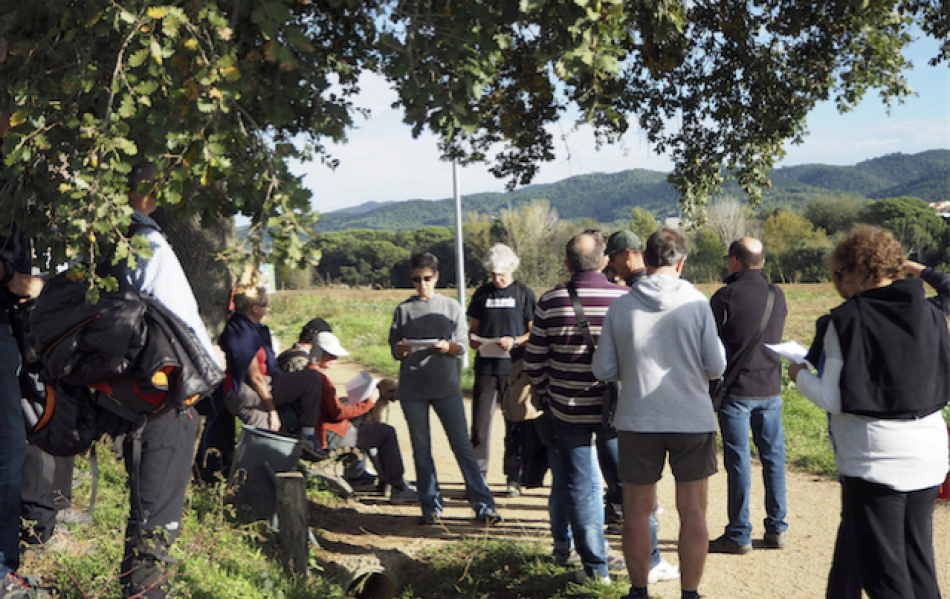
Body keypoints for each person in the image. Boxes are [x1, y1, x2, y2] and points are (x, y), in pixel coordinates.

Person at [789, 225, 950, 599]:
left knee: (885, 577)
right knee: (919, 565)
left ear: (854, 270)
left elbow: (832, 398)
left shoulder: (843, 321)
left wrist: (798, 375)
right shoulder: (930, 311)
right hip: (928, 453)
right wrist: (911, 267)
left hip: (874, 461)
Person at [525, 230, 677, 585]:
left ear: (566, 264)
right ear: (605, 261)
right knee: (631, 486)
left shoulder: (549, 303)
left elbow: (534, 364)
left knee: (581, 488)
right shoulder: (626, 298)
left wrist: (552, 392)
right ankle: (650, 561)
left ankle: (596, 571)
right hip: (618, 411)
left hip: (568, 412)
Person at [593, 228, 726, 599]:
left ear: (645, 260)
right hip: (692, 419)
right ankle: (690, 593)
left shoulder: (621, 306)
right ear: (681, 262)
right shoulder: (697, 303)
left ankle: (638, 591)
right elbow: (715, 366)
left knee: (636, 511)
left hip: (637, 419)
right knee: (693, 512)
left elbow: (603, 370)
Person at [117, 161, 222, 599]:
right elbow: (183, 322)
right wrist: (211, 364)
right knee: (156, 518)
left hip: (130, 394)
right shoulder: (147, 243)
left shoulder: (101, 246)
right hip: (167, 397)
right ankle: (146, 592)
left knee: (146, 510)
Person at [389, 252, 501, 525]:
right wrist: (401, 348)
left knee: (461, 445)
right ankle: (430, 506)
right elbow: (395, 349)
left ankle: (483, 504)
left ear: (436, 277)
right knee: (421, 447)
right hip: (413, 388)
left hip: (446, 386)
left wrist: (446, 347)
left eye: (426, 279)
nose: (421, 284)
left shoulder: (451, 307)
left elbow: (462, 346)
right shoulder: (403, 310)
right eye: (416, 280)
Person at [708, 237, 789, 554]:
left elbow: (710, 347)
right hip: (770, 388)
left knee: (739, 462)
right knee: (774, 459)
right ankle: (777, 528)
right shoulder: (776, 294)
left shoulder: (724, 297)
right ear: (763, 262)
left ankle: (739, 533)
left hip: (736, 391)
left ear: (736, 261)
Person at [283, 329, 418, 504]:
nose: (335, 360)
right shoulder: (320, 379)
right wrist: (368, 403)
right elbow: (338, 413)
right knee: (385, 433)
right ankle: (398, 488)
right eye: (332, 356)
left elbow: (323, 406)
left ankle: (385, 481)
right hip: (329, 435)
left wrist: (342, 402)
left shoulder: (308, 373)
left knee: (372, 429)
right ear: (322, 355)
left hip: (318, 430)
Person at [1, 112, 48, 597]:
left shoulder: (15, 171)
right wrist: (10, 278)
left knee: (12, 449)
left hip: (10, 324)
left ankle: (6, 566)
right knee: (7, 449)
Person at [467, 243, 536, 497]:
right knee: (480, 425)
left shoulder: (524, 294)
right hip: (486, 367)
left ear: (511, 269)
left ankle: (513, 477)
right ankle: (478, 477)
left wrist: (516, 341)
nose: (497, 279)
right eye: (493, 274)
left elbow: (534, 332)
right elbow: (473, 329)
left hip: (515, 369)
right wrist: (474, 339)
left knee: (515, 424)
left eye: (502, 274)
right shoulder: (482, 294)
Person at [218, 285, 322, 445]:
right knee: (266, 433)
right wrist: (272, 410)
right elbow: (256, 378)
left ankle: (306, 434)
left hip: (268, 381)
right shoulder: (242, 333)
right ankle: (248, 466)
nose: (267, 308)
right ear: (254, 308)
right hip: (244, 389)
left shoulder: (255, 329)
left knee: (312, 378)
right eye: (264, 304)